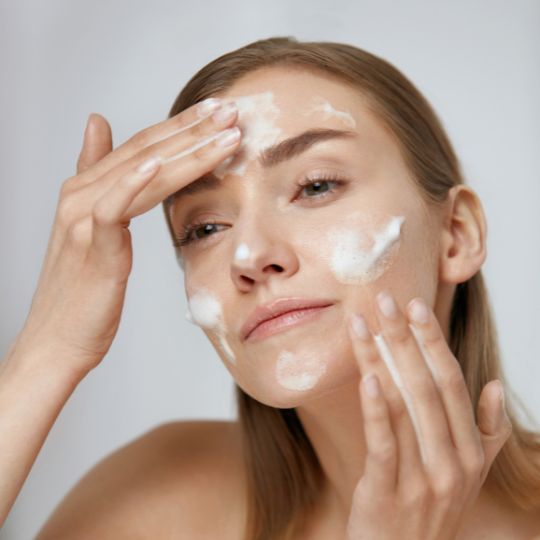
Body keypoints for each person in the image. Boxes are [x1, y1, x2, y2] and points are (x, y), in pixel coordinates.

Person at [1, 36, 539, 540]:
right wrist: (50, 349)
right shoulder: (155, 501)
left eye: (316, 185)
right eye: (205, 228)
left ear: (457, 234)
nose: (250, 255)